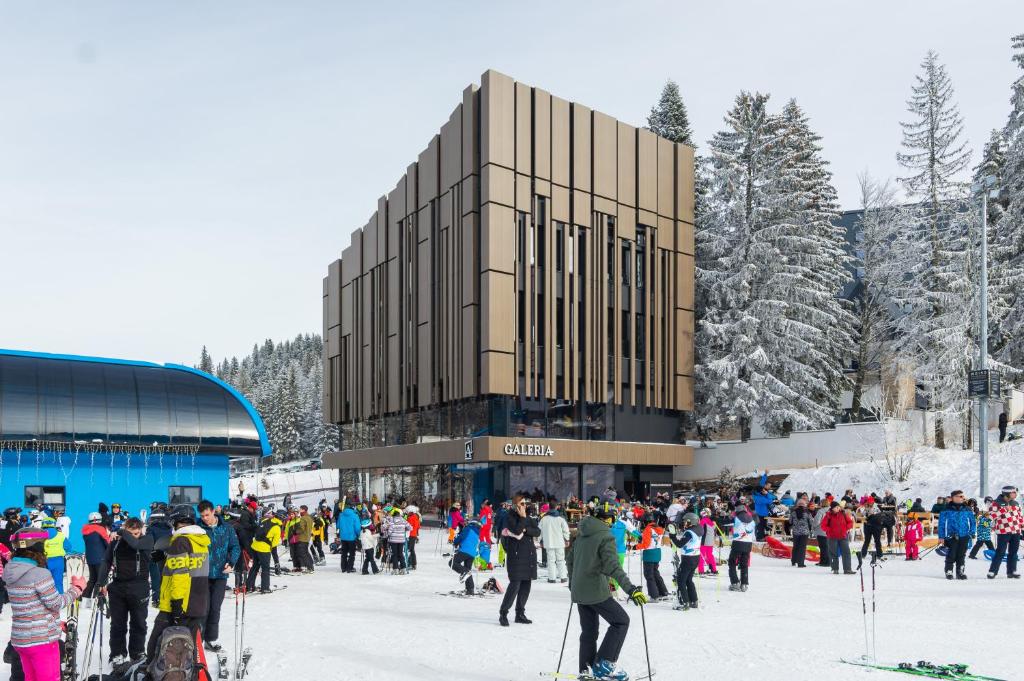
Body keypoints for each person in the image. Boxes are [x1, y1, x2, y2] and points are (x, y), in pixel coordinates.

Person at [566, 503, 646, 681]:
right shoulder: (605, 536)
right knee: (621, 621)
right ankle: (603, 664)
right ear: (607, 520)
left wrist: (573, 583)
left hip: (580, 591)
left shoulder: (581, 534)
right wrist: (631, 589)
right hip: (595, 590)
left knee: (589, 632)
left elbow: (569, 560)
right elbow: (613, 567)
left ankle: (586, 669)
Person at [4, 528, 85, 681]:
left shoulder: (10, 571)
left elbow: (29, 605)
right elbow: (56, 603)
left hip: (21, 640)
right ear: (36, 547)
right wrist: (77, 588)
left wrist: (54, 622)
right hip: (41, 641)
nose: (45, 548)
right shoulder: (40, 573)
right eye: (43, 544)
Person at [145, 505, 210, 664]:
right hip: (198, 604)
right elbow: (191, 567)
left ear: (174, 522)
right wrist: (166, 555)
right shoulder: (200, 541)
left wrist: (176, 605)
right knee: (188, 646)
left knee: (156, 645)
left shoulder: (180, 541)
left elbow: (180, 575)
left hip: (179, 606)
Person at [97, 517, 154, 671]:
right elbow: (106, 561)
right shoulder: (115, 543)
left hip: (139, 587)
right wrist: (101, 582)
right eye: (131, 533)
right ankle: (117, 654)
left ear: (141, 530)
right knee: (118, 625)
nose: (134, 536)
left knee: (139, 624)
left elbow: (135, 543)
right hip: (118, 587)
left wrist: (123, 532)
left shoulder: (146, 540)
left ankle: (137, 653)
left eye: (137, 533)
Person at [198, 500, 240, 653]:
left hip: (221, 575)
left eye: (207, 515)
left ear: (213, 512)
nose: (204, 518)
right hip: (202, 575)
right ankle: (198, 640)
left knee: (215, 608)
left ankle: (210, 639)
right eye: (202, 516)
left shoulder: (226, 528)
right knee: (203, 609)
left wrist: (231, 562)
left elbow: (235, 547)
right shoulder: (197, 529)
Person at [499, 495, 540, 626]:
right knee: (514, 586)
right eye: (522, 503)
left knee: (526, 586)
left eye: (525, 503)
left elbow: (537, 531)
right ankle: (503, 613)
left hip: (529, 555)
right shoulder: (510, 516)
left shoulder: (528, 517)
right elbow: (516, 530)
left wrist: (526, 529)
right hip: (516, 556)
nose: (524, 506)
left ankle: (520, 613)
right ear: (515, 505)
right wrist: (522, 519)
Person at [938, 490, 975, 580]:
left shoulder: (967, 509)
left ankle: (960, 572)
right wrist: (941, 536)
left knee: (961, 555)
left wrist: (971, 533)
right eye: (960, 496)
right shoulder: (946, 509)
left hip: (964, 535)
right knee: (951, 554)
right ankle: (949, 571)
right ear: (954, 497)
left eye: (963, 496)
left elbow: (973, 522)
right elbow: (941, 523)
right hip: (951, 536)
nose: (963, 498)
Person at [246, 509, 285, 594]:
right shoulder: (277, 527)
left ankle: (248, 586)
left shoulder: (265, 521)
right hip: (264, 549)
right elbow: (274, 543)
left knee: (255, 566)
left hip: (254, 546)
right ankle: (265, 587)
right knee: (265, 568)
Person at [987, 485, 1021, 579]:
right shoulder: (996, 503)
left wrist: (1021, 525)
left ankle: (1012, 571)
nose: (1015, 494)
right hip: (1003, 532)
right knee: (1000, 552)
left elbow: (1019, 516)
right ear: (1007, 493)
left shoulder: (1015, 503)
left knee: (1013, 552)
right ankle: (992, 571)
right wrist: (1003, 510)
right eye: (1013, 492)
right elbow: (990, 516)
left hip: (1016, 531)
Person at [670, 513, 701, 610]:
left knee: (681, 581)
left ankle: (685, 602)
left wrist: (673, 536)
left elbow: (680, 544)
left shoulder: (689, 532)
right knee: (688, 580)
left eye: (686, 522)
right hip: (696, 557)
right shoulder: (699, 528)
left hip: (688, 559)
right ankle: (694, 600)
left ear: (691, 522)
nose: (684, 523)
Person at [146, 503, 172, 607]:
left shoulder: (151, 529)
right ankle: (166, 597)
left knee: (156, 578)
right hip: (168, 555)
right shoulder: (169, 529)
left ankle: (156, 599)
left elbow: (149, 542)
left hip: (155, 556)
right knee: (166, 577)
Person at [637, 515, 669, 600]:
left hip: (649, 554)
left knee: (649, 575)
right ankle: (663, 592)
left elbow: (646, 545)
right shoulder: (659, 528)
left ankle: (654, 595)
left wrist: (636, 547)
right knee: (655, 573)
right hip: (657, 552)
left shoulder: (648, 529)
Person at [37, 517, 71, 594]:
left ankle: (45, 599)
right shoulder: (60, 535)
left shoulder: (39, 535)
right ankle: (59, 599)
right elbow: (68, 547)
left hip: (43, 561)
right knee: (58, 581)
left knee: (43, 583)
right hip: (58, 561)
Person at [81, 512, 110, 598]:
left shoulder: (85, 530)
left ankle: (85, 597)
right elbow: (107, 543)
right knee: (101, 580)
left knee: (92, 579)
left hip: (90, 558)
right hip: (101, 558)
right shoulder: (101, 529)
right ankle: (97, 599)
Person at [539, 505, 570, 583]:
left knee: (551, 561)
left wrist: (540, 540)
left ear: (549, 509)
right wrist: (567, 539)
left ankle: (552, 578)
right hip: (559, 543)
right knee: (561, 560)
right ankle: (563, 577)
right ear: (556, 508)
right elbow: (566, 530)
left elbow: (539, 531)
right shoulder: (561, 519)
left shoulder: (544, 519)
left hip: (549, 542)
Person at [822, 501, 855, 574]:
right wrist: (829, 530)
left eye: (838, 507)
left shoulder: (843, 514)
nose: (838, 508)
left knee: (846, 552)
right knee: (833, 553)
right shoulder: (828, 515)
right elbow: (823, 525)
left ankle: (847, 569)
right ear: (832, 508)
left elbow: (850, 522)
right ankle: (835, 569)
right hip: (832, 537)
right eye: (836, 507)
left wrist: (846, 528)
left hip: (843, 536)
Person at [728, 506, 755, 591]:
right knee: (744, 564)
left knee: (732, 562)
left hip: (738, 543)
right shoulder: (752, 519)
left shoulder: (736, 518)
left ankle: (735, 582)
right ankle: (744, 584)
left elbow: (725, 522)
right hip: (748, 544)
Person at [451, 519, 481, 595]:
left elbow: (462, 536)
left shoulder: (469, 528)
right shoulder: (477, 533)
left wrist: (455, 542)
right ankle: (470, 589)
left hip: (465, 551)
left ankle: (464, 572)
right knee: (467, 569)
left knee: (452, 563)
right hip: (472, 554)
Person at [857, 497, 884, 567]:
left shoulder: (877, 507)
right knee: (867, 540)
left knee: (877, 540)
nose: (870, 504)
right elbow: (863, 515)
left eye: (870, 502)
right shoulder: (866, 507)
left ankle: (879, 554)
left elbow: (880, 516)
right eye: (868, 503)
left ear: (873, 502)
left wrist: (873, 515)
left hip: (876, 526)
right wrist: (864, 514)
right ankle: (863, 554)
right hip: (868, 526)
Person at [336, 503, 361, 574]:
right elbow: (357, 527)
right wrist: (358, 535)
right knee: (352, 553)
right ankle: (350, 568)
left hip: (343, 537)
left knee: (344, 552)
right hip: (352, 537)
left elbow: (338, 525)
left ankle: (343, 567)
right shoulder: (354, 515)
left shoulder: (341, 515)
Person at [789, 499, 814, 568]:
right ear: (804, 505)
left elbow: (790, 521)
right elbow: (811, 522)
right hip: (804, 532)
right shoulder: (807, 512)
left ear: (798, 504)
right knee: (802, 548)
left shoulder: (793, 512)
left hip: (795, 532)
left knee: (795, 546)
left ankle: (793, 561)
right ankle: (800, 563)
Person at [385, 508, 409, 574]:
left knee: (395, 554)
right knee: (401, 554)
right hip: (401, 540)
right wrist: (404, 529)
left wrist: (387, 534)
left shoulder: (392, 521)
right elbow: (410, 527)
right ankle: (403, 568)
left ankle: (396, 569)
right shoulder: (403, 520)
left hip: (393, 540)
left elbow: (390, 531)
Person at [696, 509, 719, 575]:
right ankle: (713, 570)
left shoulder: (703, 520)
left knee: (701, 556)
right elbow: (713, 528)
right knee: (710, 555)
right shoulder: (710, 521)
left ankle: (701, 571)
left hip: (704, 541)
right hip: (710, 541)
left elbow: (700, 530)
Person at [295, 506, 315, 574]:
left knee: (303, 554)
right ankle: (311, 567)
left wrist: (296, 531)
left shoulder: (303, 518)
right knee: (306, 553)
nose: (299, 510)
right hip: (307, 537)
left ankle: (309, 568)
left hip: (302, 538)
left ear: (304, 510)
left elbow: (301, 529)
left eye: (300, 509)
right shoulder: (309, 517)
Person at [812, 501, 831, 568]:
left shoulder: (821, 511)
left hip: (821, 531)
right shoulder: (831, 511)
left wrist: (813, 526)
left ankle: (825, 562)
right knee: (827, 547)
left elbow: (817, 521)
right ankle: (825, 561)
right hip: (829, 531)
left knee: (823, 547)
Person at [405, 505, 421, 571]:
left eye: (407, 511)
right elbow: (418, 526)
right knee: (412, 550)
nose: (407, 513)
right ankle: (414, 564)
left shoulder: (411, 517)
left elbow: (408, 526)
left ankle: (410, 563)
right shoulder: (416, 517)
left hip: (410, 535)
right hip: (413, 535)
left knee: (409, 549)